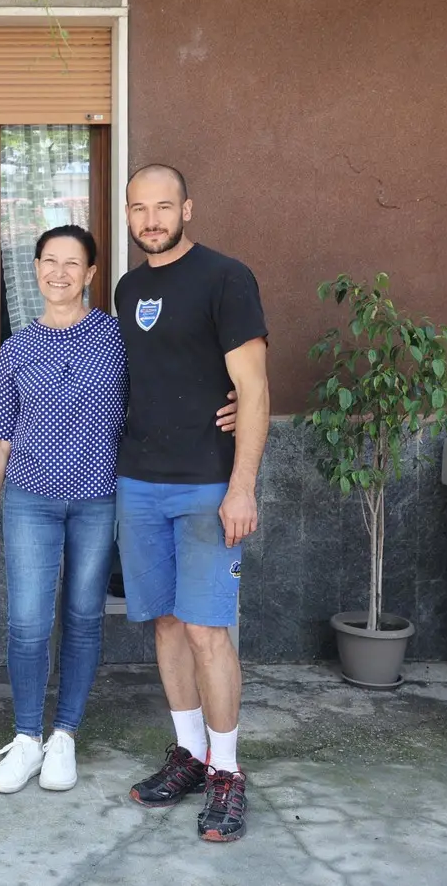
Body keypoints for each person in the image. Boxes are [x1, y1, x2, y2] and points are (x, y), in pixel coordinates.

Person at [0, 225, 238, 794]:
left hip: (98, 500)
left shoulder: (117, 338)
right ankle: (26, 739)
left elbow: (171, 379)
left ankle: (64, 735)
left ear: (92, 274)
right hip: (28, 500)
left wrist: (231, 400)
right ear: (35, 268)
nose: (59, 273)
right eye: (49, 261)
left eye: (73, 263)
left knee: (85, 617)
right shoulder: (16, 347)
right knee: (27, 622)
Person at [115, 164, 269, 843]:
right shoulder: (127, 288)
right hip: (139, 481)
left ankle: (228, 772)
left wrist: (242, 485)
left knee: (209, 630)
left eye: (163, 206)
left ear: (188, 208)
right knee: (168, 625)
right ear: (127, 213)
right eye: (139, 208)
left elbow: (255, 388)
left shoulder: (226, 278)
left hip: (208, 483)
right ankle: (189, 753)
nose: (151, 219)